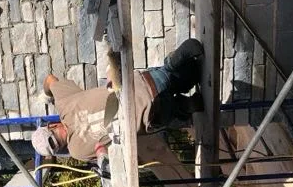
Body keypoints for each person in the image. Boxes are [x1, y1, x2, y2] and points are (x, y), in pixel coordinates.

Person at [31, 38, 204, 162]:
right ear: (51, 126)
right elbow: (49, 79)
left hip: (150, 116)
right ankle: (171, 67)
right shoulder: (64, 103)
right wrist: (48, 95)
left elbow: (106, 157)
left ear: (58, 149)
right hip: (144, 85)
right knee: (177, 76)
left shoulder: (77, 151)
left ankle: (184, 106)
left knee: (173, 111)